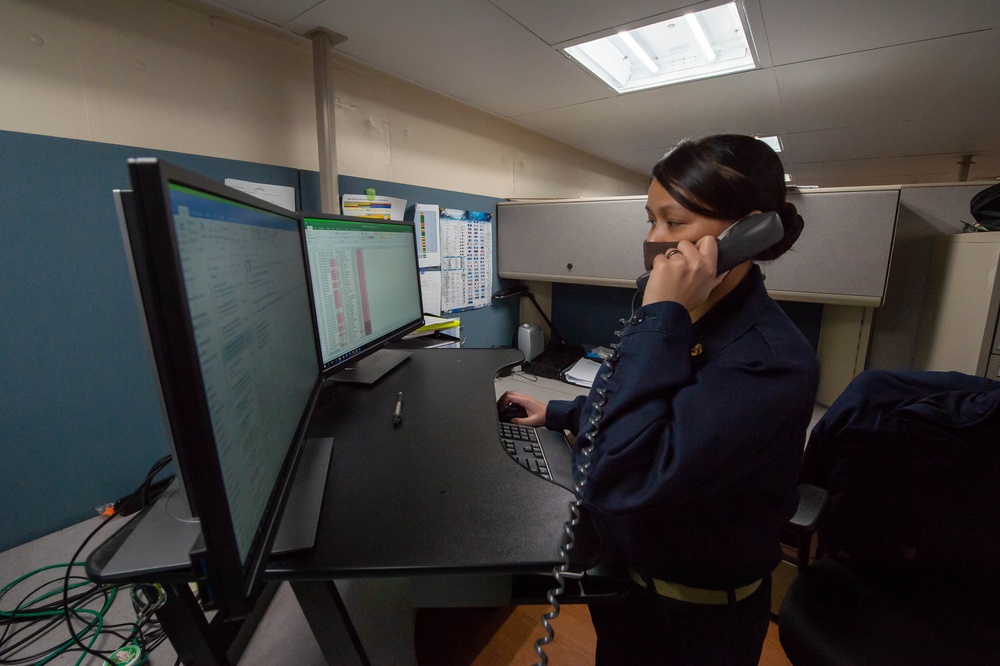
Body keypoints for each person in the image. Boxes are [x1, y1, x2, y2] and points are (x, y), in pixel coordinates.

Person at [500, 134, 820, 664]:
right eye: (651, 220)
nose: (654, 241)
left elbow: (620, 471)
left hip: (693, 624)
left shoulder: (769, 361)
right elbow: (644, 410)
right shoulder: (684, 318)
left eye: (674, 222)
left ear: (748, 231)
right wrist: (559, 411)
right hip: (630, 594)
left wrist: (659, 318)